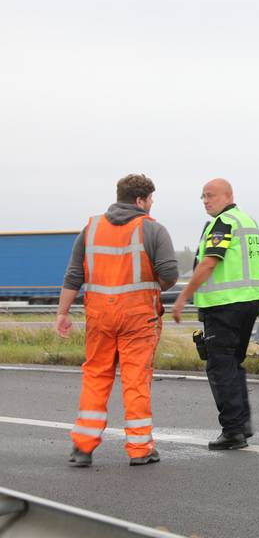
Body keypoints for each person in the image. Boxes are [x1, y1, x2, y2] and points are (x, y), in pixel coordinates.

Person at [57, 174, 179, 467]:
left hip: (100, 316)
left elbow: (74, 274)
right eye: (150, 199)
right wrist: (153, 287)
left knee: (97, 376)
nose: (151, 205)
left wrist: (62, 313)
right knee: (135, 380)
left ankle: (83, 447)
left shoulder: (92, 229)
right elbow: (170, 273)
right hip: (138, 317)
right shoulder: (153, 230)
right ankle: (140, 449)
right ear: (140, 200)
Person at [171, 178, 259, 450]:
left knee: (220, 365)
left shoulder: (223, 223)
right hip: (249, 302)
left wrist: (182, 296)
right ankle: (242, 424)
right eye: (202, 196)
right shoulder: (246, 221)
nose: (205, 201)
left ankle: (233, 430)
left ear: (228, 195)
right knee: (233, 363)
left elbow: (210, 263)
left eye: (210, 195)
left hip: (224, 305)